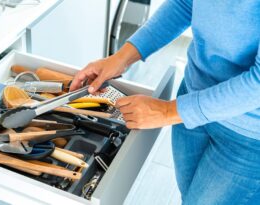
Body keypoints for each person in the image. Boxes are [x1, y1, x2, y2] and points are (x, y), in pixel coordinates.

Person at [70, 0, 260, 204]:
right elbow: (185, 4)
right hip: (192, 97)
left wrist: (167, 112)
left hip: (247, 136)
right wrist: (122, 57)